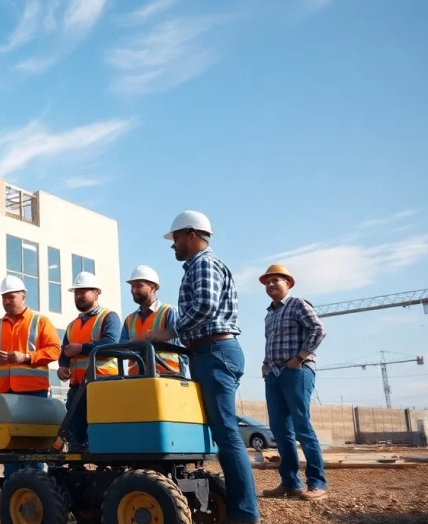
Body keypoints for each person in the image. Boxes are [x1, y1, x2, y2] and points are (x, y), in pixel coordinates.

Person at [153, 210, 260, 523]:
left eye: (175, 239)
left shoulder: (204, 263)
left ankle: (244, 514)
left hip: (215, 351)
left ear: (190, 234)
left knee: (227, 435)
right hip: (209, 351)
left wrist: (169, 330)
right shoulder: (197, 266)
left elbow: (205, 305)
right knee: (222, 433)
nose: (173, 245)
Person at [0, 275, 61, 478]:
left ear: (23, 296)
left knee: (34, 441)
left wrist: (27, 357)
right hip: (5, 393)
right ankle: (11, 483)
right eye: (4, 297)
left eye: (11, 297)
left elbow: (55, 350)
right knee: (9, 440)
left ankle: (36, 482)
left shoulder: (40, 322)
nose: (7, 301)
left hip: (34, 392)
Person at [259, 264, 328, 501]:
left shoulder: (298, 304)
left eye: (275, 280)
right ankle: (290, 483)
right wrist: (266, 364)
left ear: (288, 283)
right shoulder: (269, 313)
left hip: (297, 372)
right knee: (280, 431)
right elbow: (272, 342)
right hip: (274, 374)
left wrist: (299, 358)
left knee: (302, 428)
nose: (270, 285)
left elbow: (318, 330)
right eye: (267, 282)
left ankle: (317, 483)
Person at [56, 271, 122, 450]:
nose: (79, 296)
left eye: (83, 292)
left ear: (96, 293)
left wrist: (81, 348)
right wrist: (62, 366)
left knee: (103, 432)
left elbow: (112, 343)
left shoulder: (109, 317)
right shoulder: (72, 325)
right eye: (77, 293)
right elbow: (64, 351)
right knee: (76, 438)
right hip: (77, 387)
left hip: (102, 384)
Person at [121, 265, 187, 378]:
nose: (133, 290)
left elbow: (175, 347)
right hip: (135, 380)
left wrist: (136, 342)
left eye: (138, 286)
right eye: (132, 286)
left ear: (152, 288)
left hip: (167, 378)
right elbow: (121, 348)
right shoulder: (129, 319)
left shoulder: (168, 312)